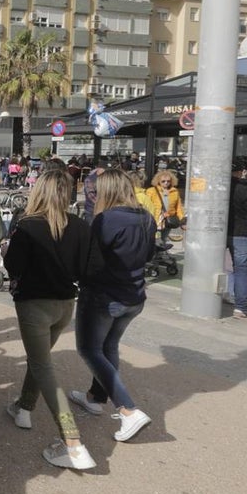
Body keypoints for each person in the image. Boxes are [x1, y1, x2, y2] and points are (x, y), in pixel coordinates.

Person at [3, 172, 95, 470]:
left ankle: (72, 441)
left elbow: (13, 266)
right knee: (39, 361)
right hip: (65, 304)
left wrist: (7, 250)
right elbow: (88, 268)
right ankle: (24, 406)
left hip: (34, 305)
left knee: (44, 366)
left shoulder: (27, 226)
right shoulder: (80, 226)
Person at [70, 169, 156, 442]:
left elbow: (90, 260)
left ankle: (128, 409)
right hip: (134, 296)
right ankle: (96, 396)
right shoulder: (146, 217)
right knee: (109, 347)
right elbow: (150, 254)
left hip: (104, 296)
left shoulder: (105, 219)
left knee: (89, 349)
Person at [227, 158, 247, 319]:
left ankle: (221, 296)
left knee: (218, 266)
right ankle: (241, 308)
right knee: (240, 270)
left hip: (220, 234)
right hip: (242, 234)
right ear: (241, 172)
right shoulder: (244, 189)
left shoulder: (220, 187)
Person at [145, 169, 185, 244]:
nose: (166, 183)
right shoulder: (151, 191)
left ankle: (161, 253)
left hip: (168, 220)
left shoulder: (175, 192)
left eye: (168, 181)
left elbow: (178, 208)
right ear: (158, 181)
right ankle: (156, 253)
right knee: (156, 239)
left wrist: (182, 221)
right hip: (156, 220)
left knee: (163, 238)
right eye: (163, 181)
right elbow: (147, 205)